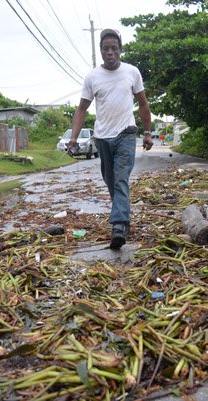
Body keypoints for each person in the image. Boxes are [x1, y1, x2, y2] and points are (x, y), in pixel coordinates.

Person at [68, 28, 153, 249]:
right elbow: (81, 109)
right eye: (106, 49)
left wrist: (147, 133)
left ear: (120, 50)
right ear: (101, 51)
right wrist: (73, 139)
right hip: (102, 138)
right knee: (111, 181)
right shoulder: (92, 77)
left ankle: (118, 225)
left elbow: (143, 104)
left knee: (121, 178)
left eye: (114, 48)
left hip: (126, 133)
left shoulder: (132, 72)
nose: (110, 52)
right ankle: (123, 220)